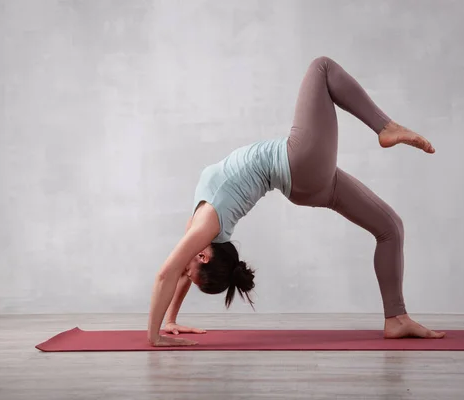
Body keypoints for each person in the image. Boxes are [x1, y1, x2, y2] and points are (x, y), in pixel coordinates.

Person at [147, 56, 445, 347]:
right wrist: (155, 336)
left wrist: (168, 321)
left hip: (304, 182)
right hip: (298, 165)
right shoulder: (206, 226)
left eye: (188, 273)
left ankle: (396, 318)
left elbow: (177, 272)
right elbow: (168, 274)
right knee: (322, 67)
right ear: (204, 256)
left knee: (390, 227)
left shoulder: (201, 228)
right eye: (189, 272)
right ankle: (386, 127)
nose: (183, 274)